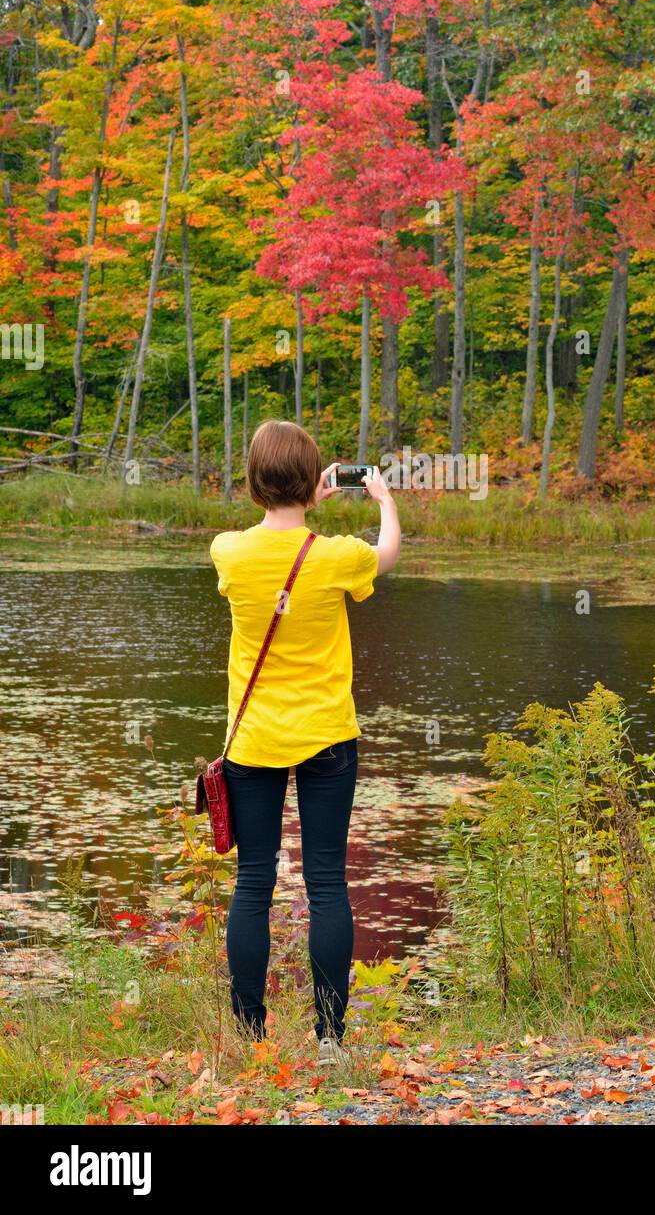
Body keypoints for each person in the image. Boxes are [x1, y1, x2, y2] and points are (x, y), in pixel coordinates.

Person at [209, 421, 400, 1064]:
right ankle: (329, 1041)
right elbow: (389, 555)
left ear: (253, 482)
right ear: (315, 480)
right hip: (326, 738)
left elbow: (267, 541)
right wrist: (384, 502)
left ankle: (251, 1037)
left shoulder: (228, 551)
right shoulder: (339, 555)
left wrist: (298, 499)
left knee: (253, 884)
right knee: (326, 885)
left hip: (254, 741)